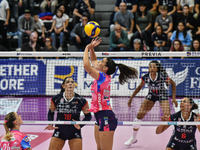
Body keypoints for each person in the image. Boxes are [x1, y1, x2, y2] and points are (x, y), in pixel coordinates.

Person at [83, 37, 138, 150]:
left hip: (106, 116)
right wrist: (92, 49)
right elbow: (93, 61)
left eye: (101, 61)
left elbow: (86, 65)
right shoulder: (102, 74)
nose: (98, 61)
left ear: (105, 68)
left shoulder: (102, 77)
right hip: (99, 116)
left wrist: (86, 48)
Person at [125, 60, 178, 146]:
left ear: (157, 68)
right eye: (150, 67)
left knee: (168, 117)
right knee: (139, 115)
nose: (152, 68)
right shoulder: (146, 77)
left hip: (162, 95)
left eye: (154, 67)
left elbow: (173, 84)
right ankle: (133, 138)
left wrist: (174, 98)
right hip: (152, 95)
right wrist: (131, 98)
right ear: (148, 69)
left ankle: (176, 138)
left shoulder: (162, 76)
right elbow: (139, 87)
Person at [45, 77, 91, 150]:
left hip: (74, 131)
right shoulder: (56, 99)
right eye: (68, 82)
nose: (70, 83)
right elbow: (51, 113)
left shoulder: (81, 100)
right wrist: (50, 124)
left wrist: (80, 125)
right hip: (59, 130)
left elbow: (88, 116)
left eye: (72, 82)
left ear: (74, 85)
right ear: (63, 86)